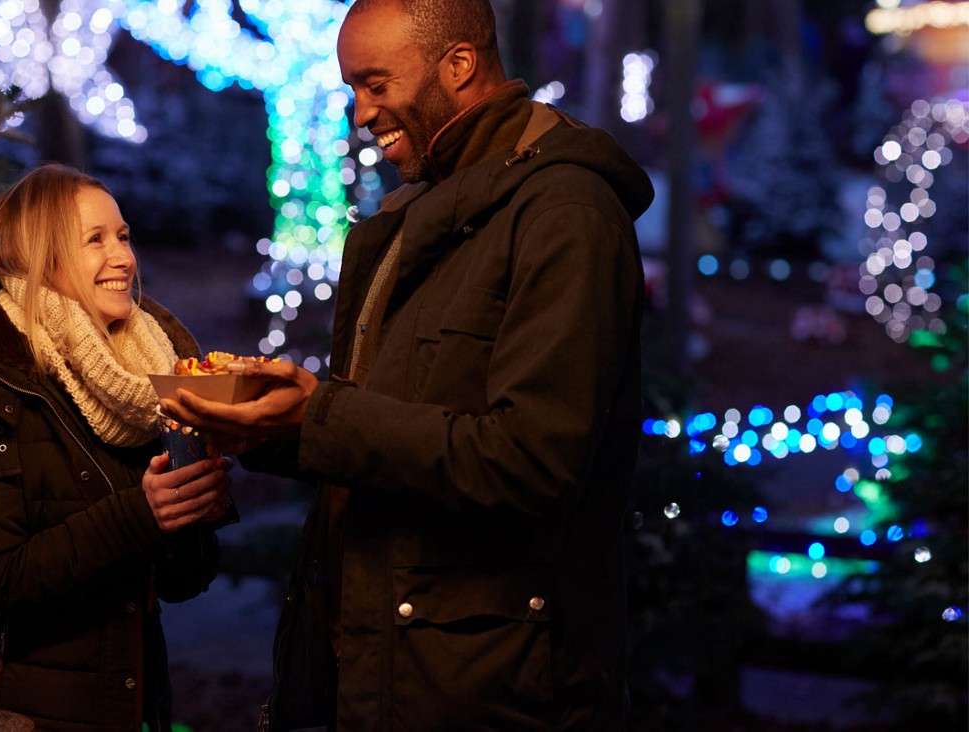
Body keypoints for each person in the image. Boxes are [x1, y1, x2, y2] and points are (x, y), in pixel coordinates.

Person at [160, 0, 654, 728]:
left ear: (459, 66)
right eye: (352, 90)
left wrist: (319, 413)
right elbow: (399, 428)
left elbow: (534, 461)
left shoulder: (564, 216)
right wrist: (272, 427)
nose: (361, 113)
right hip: (379, 659)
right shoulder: (415, 213)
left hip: (485, 687)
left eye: (376, 84)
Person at [0, 164, 233, 731]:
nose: (123, 258)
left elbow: (184, 583)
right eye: (95, 240)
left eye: (124, 236)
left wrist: (195, 510)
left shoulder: (151, 381)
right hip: (7, 713)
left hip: (130, 708)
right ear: (43, 258)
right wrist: (143, 512)